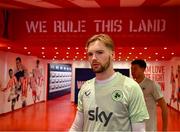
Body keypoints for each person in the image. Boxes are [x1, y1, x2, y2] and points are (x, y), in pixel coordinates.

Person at [70, 34, 149, 131]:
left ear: (112, 55)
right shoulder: (85, 87)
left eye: (99, 52)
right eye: (90, 54)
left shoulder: (131, 87)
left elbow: (139, 130)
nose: (94, 58)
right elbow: (77, 127)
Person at [131, 59, 168, 131]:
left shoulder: (152, 84)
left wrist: (165, 129)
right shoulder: (131, 86)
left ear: (143, 69)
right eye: (131, 69)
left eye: (135, 68)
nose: (132, 71)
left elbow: (164, 107)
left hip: (149, 128)